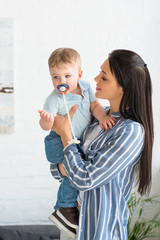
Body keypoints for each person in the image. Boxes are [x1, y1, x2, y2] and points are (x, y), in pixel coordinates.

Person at [45, 49, 154, 240]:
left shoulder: (130, 131)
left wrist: (66, 136)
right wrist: (63, 166)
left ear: (123, 87)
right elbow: (57, 170)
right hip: (72, 226)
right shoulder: (97, 118)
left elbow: (85, 179)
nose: (95, 79)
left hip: (99, 230)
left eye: (104, 77)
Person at [38, 48, 115, 238]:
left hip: (75, 142)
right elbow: (46, 125)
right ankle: (65, 207)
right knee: (72, 172)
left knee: (73, 170)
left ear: (79, 75)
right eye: (55, 77)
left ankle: (65, 207)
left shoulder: (87, 88)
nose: (61, 82)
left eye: (67, 76)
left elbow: (95, 106)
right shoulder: (54, 98)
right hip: (58, 141)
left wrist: (103, 116)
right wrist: (47, 119)